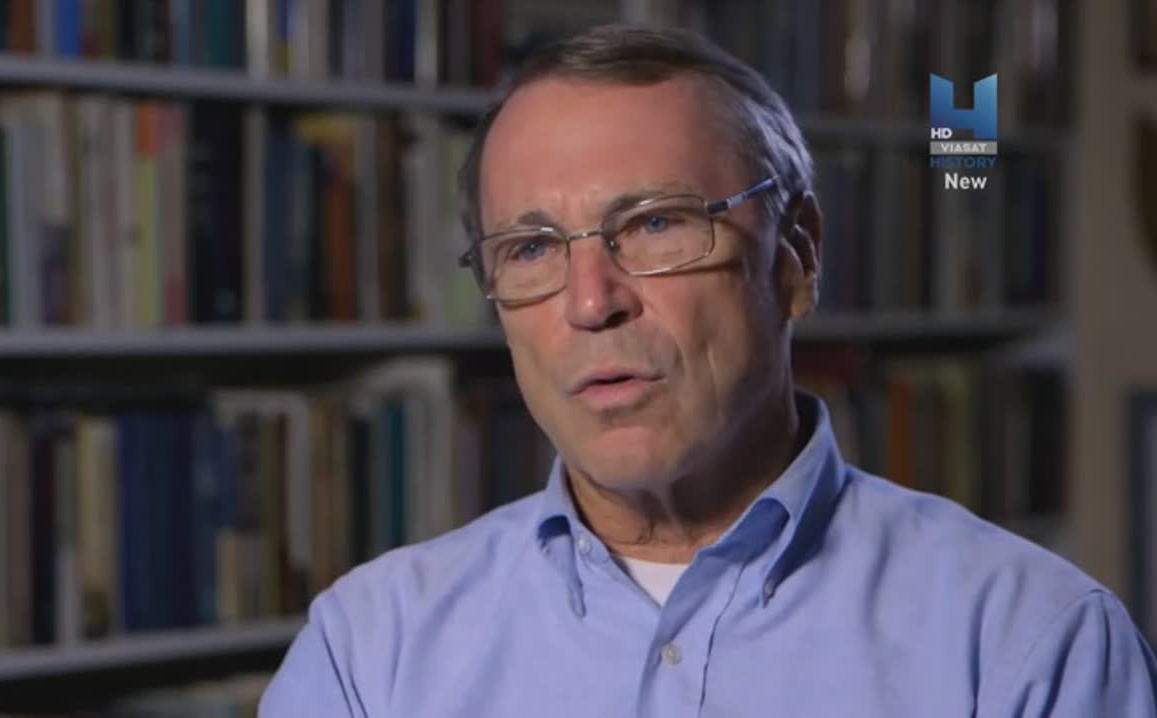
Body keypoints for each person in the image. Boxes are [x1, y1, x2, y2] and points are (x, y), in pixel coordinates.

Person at [259, 24, 1157, 717]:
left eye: (655, 224)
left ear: (797, 256)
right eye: (531, 248)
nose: (590, 302)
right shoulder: (368, 653)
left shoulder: (1028, 642)